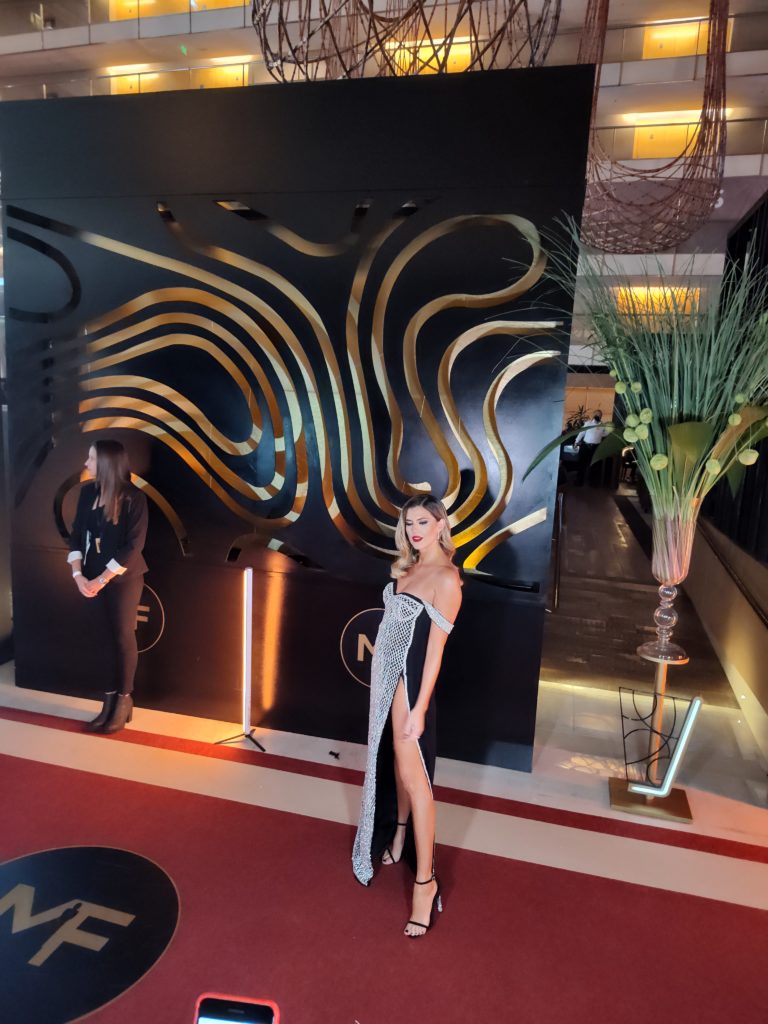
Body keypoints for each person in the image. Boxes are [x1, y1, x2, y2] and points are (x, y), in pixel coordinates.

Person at [352, 494, 462, 938]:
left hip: (408, 684)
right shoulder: (407, 568)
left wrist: (419, 707)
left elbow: (435, 652)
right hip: (384, 680)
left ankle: (425, 882)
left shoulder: (447, 579)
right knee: (395, 768)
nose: (415, 531)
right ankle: (397, 833)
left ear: (441, 525)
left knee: (417, 782)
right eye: (409, 523)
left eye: (423, 522)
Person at [67, 440, 148, 734]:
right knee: (102, 640)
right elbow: (76, 536)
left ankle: (124, 699)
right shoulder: (87, 492)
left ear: (106, 463)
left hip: (123, 579)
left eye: (91, 458)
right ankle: (109, 699)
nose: (86, 463)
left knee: (123, 637)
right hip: (90, 578)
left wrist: (101, 579)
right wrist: (78, 576)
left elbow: (133, 546)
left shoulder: (134, 498)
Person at [575, 410, 607, 486]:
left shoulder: (603, 425)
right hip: (585, 446)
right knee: (582, 464)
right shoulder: (588, 423)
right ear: (593, 415)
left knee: (594, 465)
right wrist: (576, 441)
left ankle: (593, 483)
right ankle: (579, 482)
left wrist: (608, 431)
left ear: (601, 416)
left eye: (599, 415)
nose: (598, 416)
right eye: (596, 414)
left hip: (596, 447)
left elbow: (604, 434)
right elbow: (581, 433)